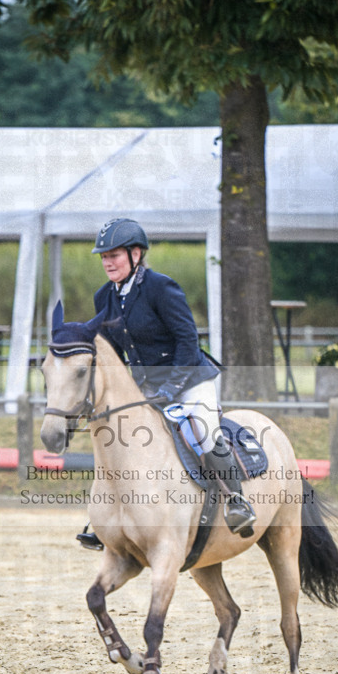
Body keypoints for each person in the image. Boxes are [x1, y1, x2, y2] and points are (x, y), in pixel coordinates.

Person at [79, 217, 256, 545]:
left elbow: (187, 341)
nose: (106, 262)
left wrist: (171, 388)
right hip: (146, 389)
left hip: (189, 378)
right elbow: (114, 353)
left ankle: (237, 501)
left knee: (203, 432)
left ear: (136, 254)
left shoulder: (161, 287)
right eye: (103, 256)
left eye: (113, 255)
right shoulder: (104, 296)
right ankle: (109, 518)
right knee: (118, 440)